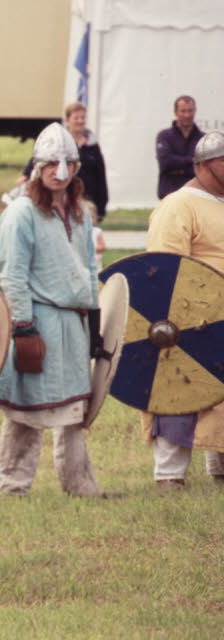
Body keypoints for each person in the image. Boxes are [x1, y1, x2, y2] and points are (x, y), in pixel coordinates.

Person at [0, 123, 106, 497]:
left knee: (72, 410)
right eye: (52, 164)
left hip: (73, 323)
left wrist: (94, 318)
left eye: (68, 164)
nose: (60, 172)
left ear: (75, 168)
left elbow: (89, 268)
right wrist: (23, 325)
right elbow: (13, 274)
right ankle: (12, 486)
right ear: (38, 168)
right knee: (26, 410)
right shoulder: (21, 213)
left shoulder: (80, 214)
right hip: (38, 320)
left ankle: (80, 484)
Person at [144, 130, 224, 487]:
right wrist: (177, 320)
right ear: (205, 165)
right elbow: (163, 268)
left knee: (219, 399)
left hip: (221, 322)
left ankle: (219, 468)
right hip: (187, 324)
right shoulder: (179, 205)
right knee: (178, 395)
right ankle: (170, 474)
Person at [19, 103, 109, 222]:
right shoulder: (58, 141)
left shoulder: (92, 146)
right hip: (64, 198)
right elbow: (42, 159)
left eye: (83, 118)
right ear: (67, 120)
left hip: (87, 200)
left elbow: (100, 177)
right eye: (76, 118)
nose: (80, 121)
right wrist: (26, 174)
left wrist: (101, 207)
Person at [156, 96, 204, 199]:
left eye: (190, 110)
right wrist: (192, 160)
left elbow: (204, 168)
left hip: (195, 194)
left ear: (195, 111)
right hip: (169, 193)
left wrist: (178, 168)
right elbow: (165, 163)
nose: (187, 115)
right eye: (183, 111)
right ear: (175, 112)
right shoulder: (164, 136)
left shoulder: (203, 139)